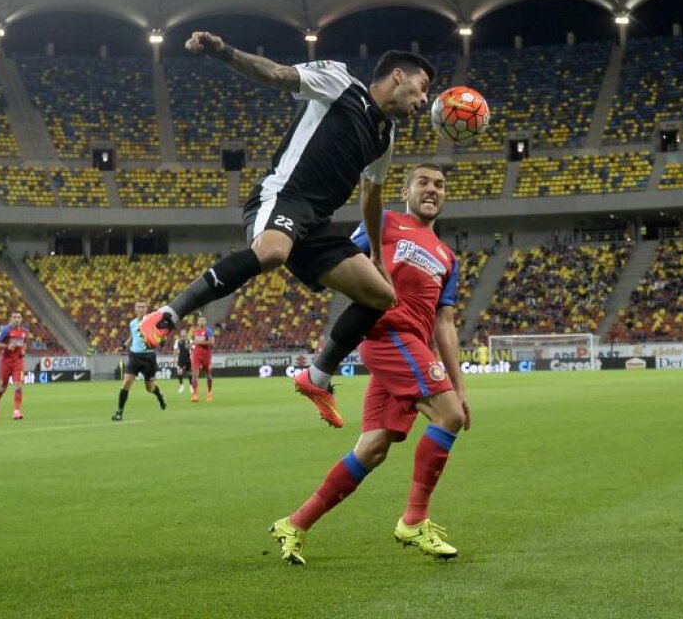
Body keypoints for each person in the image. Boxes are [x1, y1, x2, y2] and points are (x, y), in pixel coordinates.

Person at [133, 31, 434, 428]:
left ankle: (318, 378)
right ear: (398, 75)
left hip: (317, 225)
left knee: (381, 295)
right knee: (274, 251)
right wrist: (224, 52)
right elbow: (275, 73)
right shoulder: (340, 82)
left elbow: (371, 196)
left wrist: (378, 256)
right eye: (422, 87)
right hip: (282, 196)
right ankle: (168, 315)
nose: (425, 99)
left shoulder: (385, 136)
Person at [269, 163, 470, 565]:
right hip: (388, 334)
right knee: (448, 417)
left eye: (440, 185)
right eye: (423, 182)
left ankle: (295, 523)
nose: (432, 189)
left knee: (374, 448)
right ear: (406, 192)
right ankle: (414, 520)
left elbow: (445, 324)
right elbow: (343, 259)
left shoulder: (447, 257)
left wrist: (459, 386)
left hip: (414, 349)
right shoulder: (385, 222)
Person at [112, 300, 167, 421]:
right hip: (134, 357)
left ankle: (159, 395)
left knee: (150, 388)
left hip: (149, 358)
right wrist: (124, 347)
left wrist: (162, 338)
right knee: (126, 382)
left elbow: (162, 337)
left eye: (143, 307)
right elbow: (133, 336)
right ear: (135, 309)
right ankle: (119, 412)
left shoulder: (153, 322)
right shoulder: (132, 323)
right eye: (139, 307)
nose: (141, 309)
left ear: (146, 309)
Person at [0, 311, 30, 420]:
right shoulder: (5, 330)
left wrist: (23, 350)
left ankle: (16, 411)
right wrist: (6, 346)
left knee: (18, 385)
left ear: (21, 319)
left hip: (18, 362)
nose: (17, 319)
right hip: (6, 362)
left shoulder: (25, 331)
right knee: (2, 388)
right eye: (14, 317)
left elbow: (24, 343)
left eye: (18, 317)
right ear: (11, 319)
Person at [190, 314, 214, 403]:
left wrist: (199, 342)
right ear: (198, 321)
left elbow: (212, 342)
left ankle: (209, 391)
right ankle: (195, 394)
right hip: (196, 354)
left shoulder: (208, 330)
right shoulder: (195, 330)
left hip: (206, 355)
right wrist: (192, 344)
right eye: (200, 320)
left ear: (206, 321)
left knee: (209, 375)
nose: (202, 322)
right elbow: (193, 341)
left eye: (203, 320)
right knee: (195, 374)